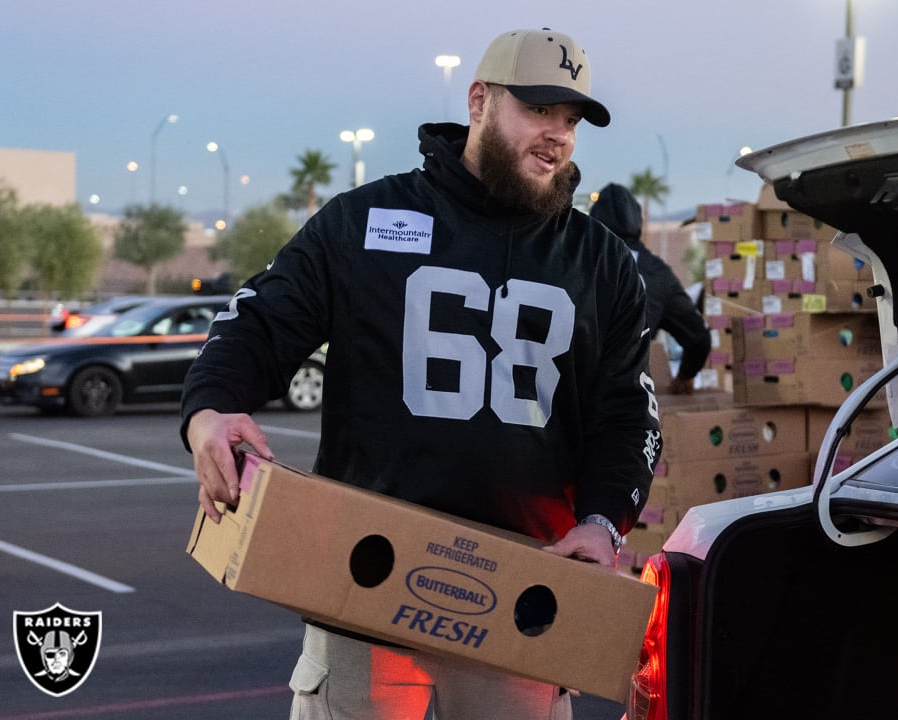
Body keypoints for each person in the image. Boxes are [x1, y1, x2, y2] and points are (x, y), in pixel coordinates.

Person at [180, 27, 661, 720]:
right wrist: (208, 412)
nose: (556, 134)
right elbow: (259, 321)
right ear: (479, 101)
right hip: (361, 587)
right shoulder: (367, 220)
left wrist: (601, 522)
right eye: (537, 110)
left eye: (571, 120)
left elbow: (627, 413)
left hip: (522, 601)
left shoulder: (601, 263)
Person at [590, 183, 712, 394]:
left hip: (569, 394)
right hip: (628, 396)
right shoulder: (658, 273)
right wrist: (684, 377)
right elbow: (698, 338)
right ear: (638, 221)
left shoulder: (576, 261)